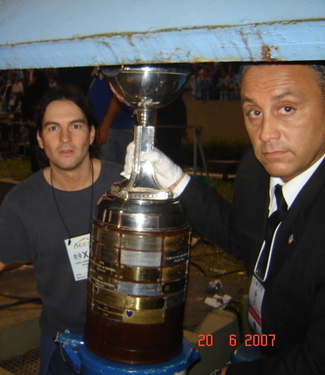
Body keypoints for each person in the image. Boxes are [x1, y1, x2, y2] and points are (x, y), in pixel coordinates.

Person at [122, 62, 325, 374]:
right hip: (265, 338)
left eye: (287, 108)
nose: (266, 134)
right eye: (254, 112)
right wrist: (177, 182)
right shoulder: (255, 171)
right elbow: (241, 237)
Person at [0, 84, 123, 374]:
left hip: (127, 332)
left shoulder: (125, 185)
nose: (65, 138)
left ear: (91, 133)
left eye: (75, 126)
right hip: (62, 337)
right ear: (39, 139)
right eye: (53, 128)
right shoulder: (23, 200)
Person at [87, 68, 135, 166]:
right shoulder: (99, 70)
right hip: (103, 128)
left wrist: (105, 126)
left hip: (116, 129)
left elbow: (119, 95)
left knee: (112, 170)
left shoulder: (116, 68)